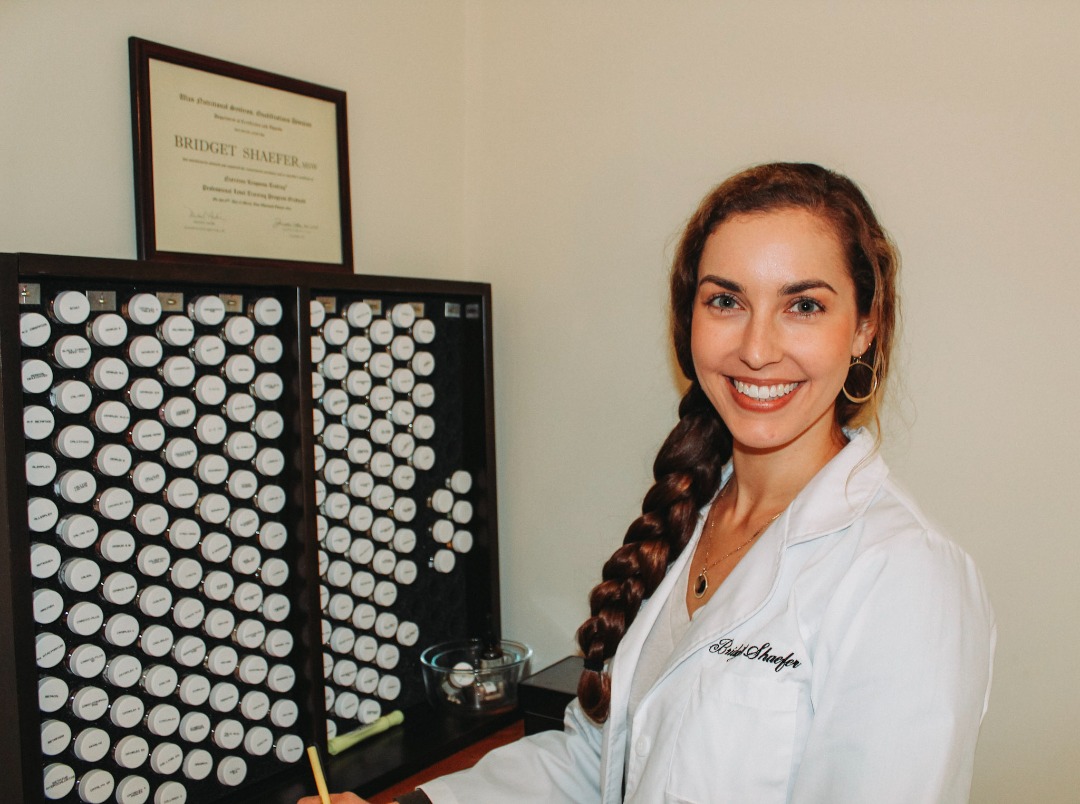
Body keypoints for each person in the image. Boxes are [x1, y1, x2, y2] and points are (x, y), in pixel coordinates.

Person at [299, 162, 996, 804]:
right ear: (688, 320)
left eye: (803, 306)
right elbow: (594, 764)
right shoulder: (695, 514)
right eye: (726, 301)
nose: (756, 348)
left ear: (865, 328)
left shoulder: (904, 578)